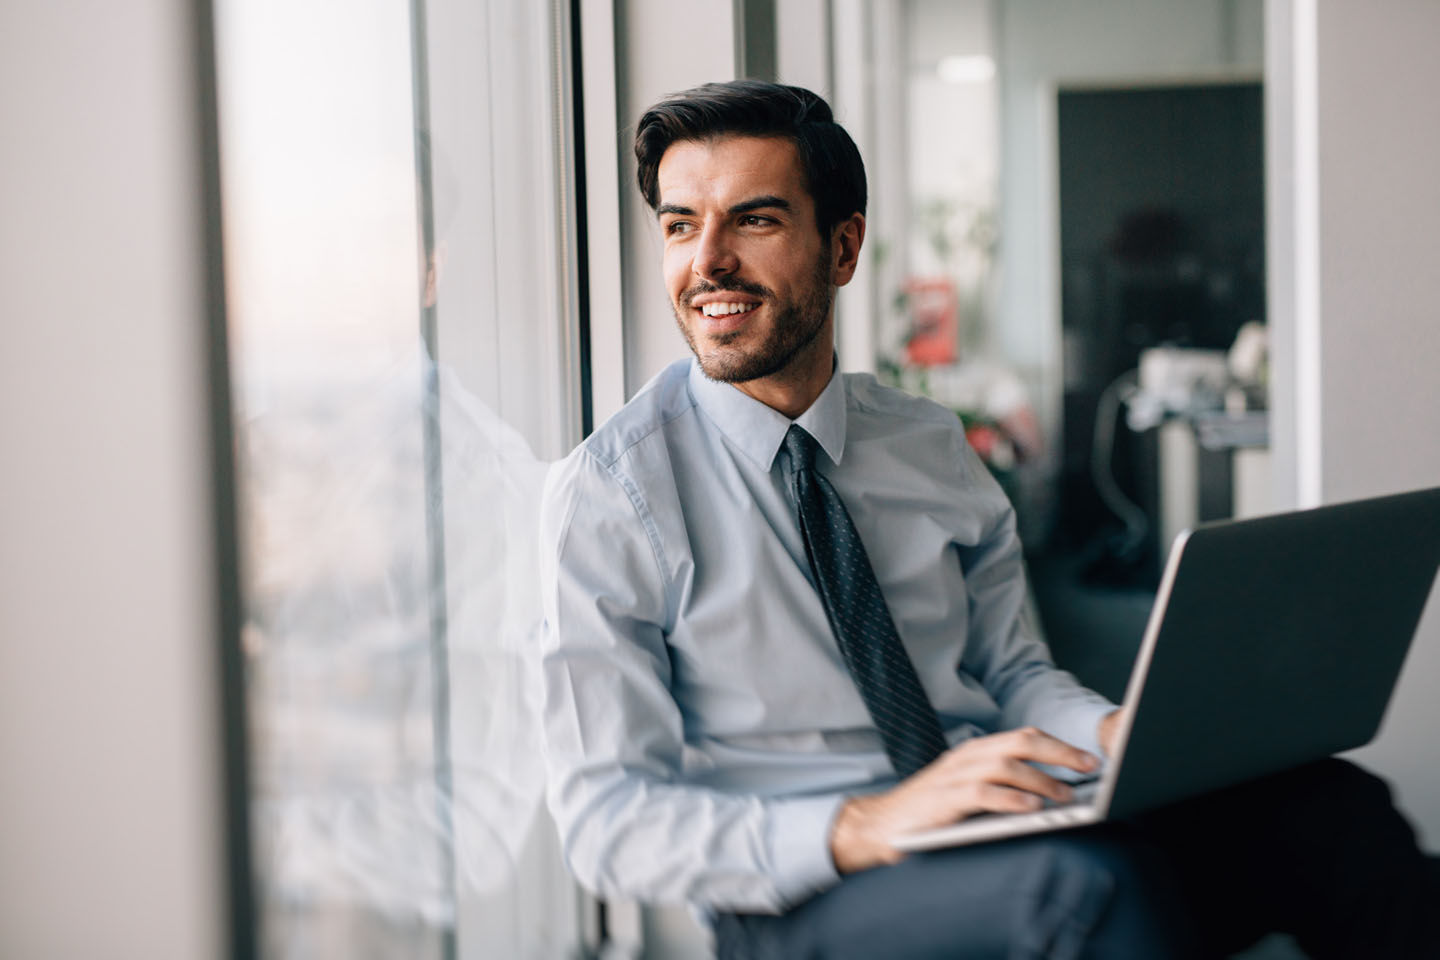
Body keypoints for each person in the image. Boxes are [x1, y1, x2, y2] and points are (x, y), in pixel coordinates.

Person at [537, 80, 1438, 959]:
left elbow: (1012, 670)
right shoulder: (612, 496)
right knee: (1085, 895)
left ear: (843, 248)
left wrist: (1110, 733)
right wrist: (868, 822)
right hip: (804, 888)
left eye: (755, 219)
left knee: (1335, 813)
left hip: (994, 821)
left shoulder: (927, 445)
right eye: (680, 224)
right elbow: (606, 820)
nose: (708, 263)